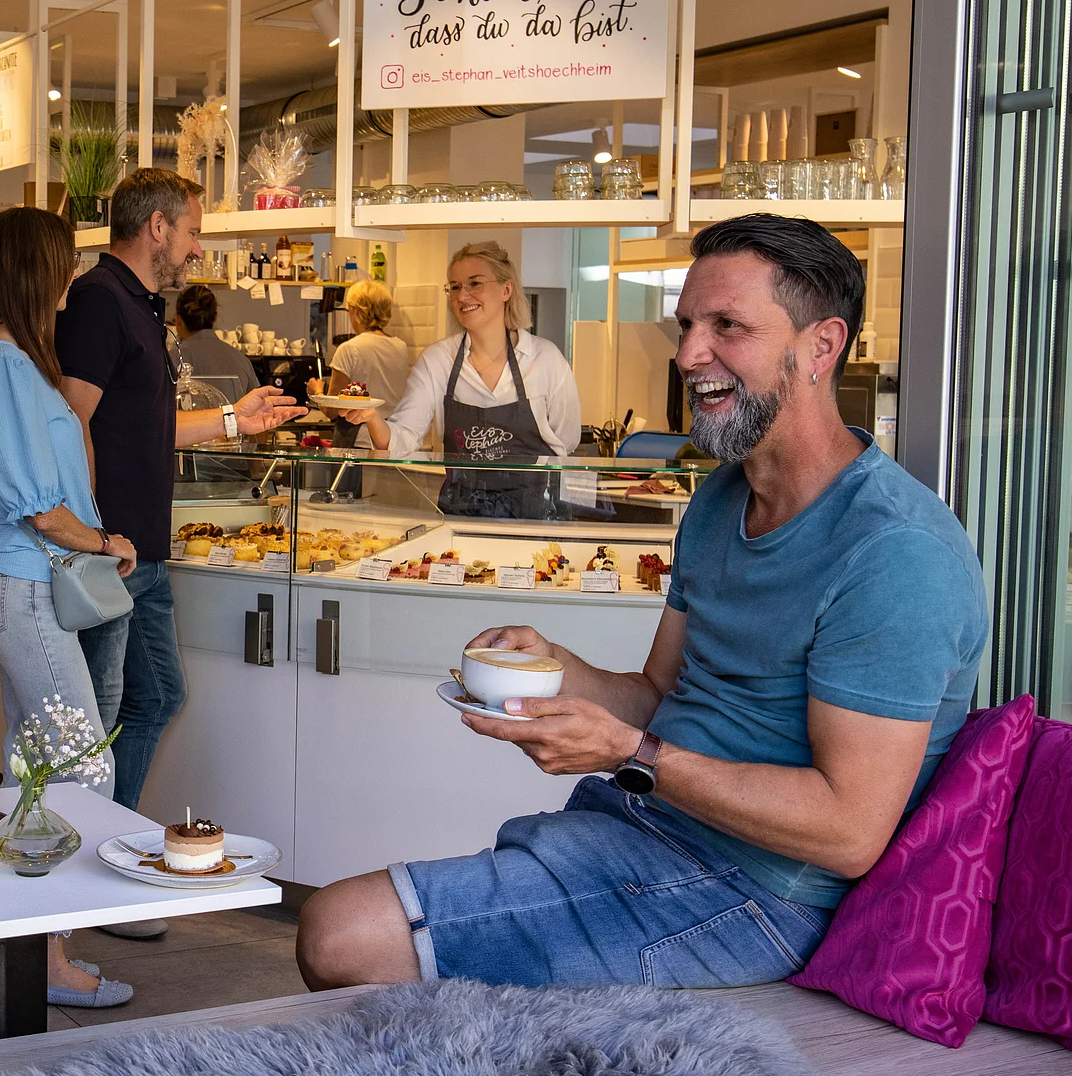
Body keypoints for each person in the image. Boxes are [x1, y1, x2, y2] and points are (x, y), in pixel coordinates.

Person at [299, 215, 989, 994]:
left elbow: (848, 829)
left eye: (727, 326)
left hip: (753, 894)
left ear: (821, 347)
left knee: (339, 933)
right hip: (640, 825)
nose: (690, 354)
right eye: (689, 324)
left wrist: (632, 753)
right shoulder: (723, 499)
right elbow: (658, 695)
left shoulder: (895, 552)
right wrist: (557, 669)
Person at [58, 167, 306, 823]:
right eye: (192, 231)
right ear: (157, 226)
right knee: (101, 714)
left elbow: (143, 424)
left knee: (158, 695)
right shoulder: (98, 300)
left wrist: (233, 420)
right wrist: (93, 537)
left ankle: (108, 840)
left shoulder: (142, 305)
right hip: (110, 553)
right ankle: (89, 857)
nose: (197, 248)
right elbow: (70, 420)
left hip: (145, 550)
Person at [0, 205, 137, 1009]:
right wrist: (106, 543)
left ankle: (30, 946)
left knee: (36, 765)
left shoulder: (13, 363)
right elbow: (37, 505)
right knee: (80, 760)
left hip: (28, 585)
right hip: (26, 584)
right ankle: (49, 952)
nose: (72, 280)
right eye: (63, 264)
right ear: (36, 269)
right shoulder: (2, 366)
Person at [364, 240, 581, 517]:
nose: (462, 296)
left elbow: (566, 441)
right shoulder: (437, 361)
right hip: (460, 522)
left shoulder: (546, 359)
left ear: (506, 289)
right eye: (455, 287)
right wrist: (371, 417)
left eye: (474, 283)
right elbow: (402, 439)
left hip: (535, 520)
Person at [328, 278, 412, 409]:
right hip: (392, 427)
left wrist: (317, 390)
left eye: (349, 309)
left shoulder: (349, 349)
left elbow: (331, 409)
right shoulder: (400, 347)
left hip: (359, 427)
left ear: (355, 311)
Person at [174, 282, 258, 401]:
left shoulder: (172, 358)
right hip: (234, 419)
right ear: (215, 317)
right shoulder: (241, 359)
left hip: (189, 420)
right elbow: (256, 407)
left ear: (178, 320)